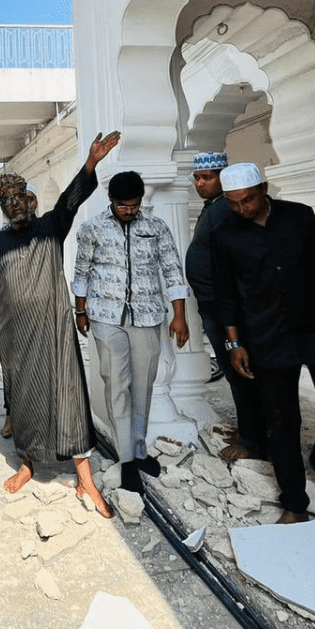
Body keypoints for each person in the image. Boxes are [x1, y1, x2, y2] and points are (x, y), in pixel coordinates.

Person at [211, 162, 315, 524]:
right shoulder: (224, 234)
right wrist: (235, 345)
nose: (242, 209)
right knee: (282, 422)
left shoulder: (300, 217)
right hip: (265, 336)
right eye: (233, 203)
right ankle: (294, 505)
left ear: (264, 190)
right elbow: (226, 296)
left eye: (248, 200)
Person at [0, 131, 121, 519]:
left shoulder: (52, 227)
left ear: (31, 201)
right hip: (16, 339)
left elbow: (70, 200)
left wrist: (90, 163)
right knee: (24, 402)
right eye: (5, 202)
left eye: (18, 198)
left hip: (55, 333)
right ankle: (28, 464)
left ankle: (85, 478)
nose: (13, 205)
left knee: (68, 397)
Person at [72, 170, 189, 492]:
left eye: (135, 205)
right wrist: (80, 311)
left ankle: (139, 451)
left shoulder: (156, 228)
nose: (129, 211)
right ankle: (126, 460)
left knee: (143, 387)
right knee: (117, 387)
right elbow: (82, 272)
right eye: (123, 205)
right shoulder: (92, 228)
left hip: (148, 317)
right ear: (111, 200)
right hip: (106, 318)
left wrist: (179, 316)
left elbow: (172, 270)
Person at [184, 151, 266, 460]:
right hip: (213, 304)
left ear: (224, 177)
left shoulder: (226, 209)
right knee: (235, 373)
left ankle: (253, 441)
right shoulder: (215, 207)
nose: (200, 183)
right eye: (197, 178)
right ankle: (249, 431)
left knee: (240, 371)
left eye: (207, 177)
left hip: (225, 307)